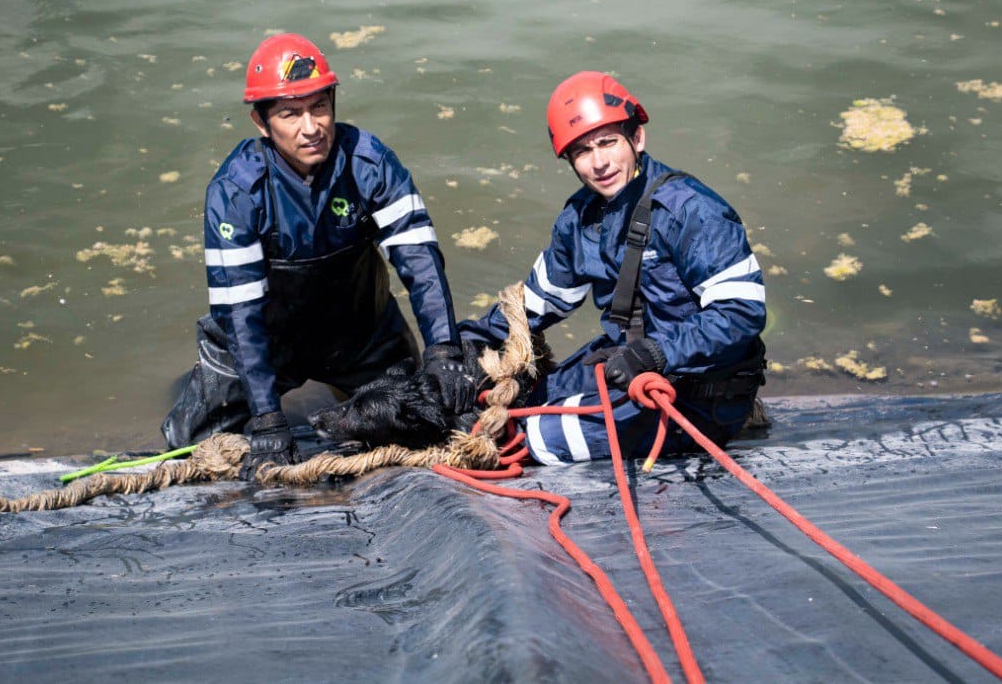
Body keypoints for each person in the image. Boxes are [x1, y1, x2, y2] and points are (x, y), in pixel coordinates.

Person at [163, 32, 475, 478]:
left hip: (361, 338)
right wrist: (268, 418)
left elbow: (420, 262)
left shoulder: (370, 162)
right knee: (184, 449)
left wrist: (444, 352)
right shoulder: (235, 191)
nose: (311, 127)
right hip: (265, 346)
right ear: (260, 121)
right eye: (290, 113)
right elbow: (240, 314)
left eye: (320, 107)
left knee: (427, 426)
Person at [460, 71, 767, 464]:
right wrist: (463, 345)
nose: (600, 162)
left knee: (522, 439)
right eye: (583, 152)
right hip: (627, 362)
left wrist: (657, 353)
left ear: (636, 138)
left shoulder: (693, 211)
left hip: (695, 394)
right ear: (570, 161)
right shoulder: (580, 217)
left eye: (608, 142)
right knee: (518, 403)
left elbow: (741, 315)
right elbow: (537, 304)